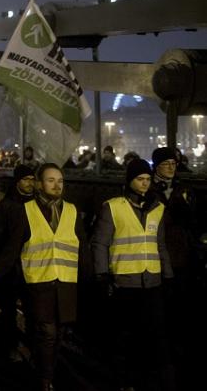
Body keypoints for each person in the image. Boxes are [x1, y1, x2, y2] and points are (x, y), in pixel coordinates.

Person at [0, 164, 84, 390]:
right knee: (47, 332)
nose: (57, 185)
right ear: (39, 184)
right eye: (51, 180)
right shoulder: (25, 211)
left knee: (59, 333)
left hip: (65, 283)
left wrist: (93, 278)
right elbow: (12, 248)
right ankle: (45, 380)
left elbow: (83, 247)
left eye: (60, 181)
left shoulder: (72, 211)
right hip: (38, 283)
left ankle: (45, 368)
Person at [92, 158, 175, 391]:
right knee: (124, 336)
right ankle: (124, 380)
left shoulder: (157, 209)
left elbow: (160, 245)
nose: (145, 184)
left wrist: (168, 276)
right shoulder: (113, 207)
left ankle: (147, 378)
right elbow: (100, 243)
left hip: (152, 282)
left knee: (153, 335)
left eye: (148, 179)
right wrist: (101, 275)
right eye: (140, 179)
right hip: (124, 282)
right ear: (130, 181)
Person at [151, 147, 199, 387]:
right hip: (156, 258)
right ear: (157, 166)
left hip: (181, 257)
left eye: (174, 163)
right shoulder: (148, 190)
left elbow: (194, 222)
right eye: (166, 163)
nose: (171, 167)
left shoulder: (184, 190)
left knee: (181, 308)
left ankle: (179, 354)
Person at [0, 164, 35, 362]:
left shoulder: (37, 206)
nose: (30, 184)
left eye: (33, 180)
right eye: (26, 180)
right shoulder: (6, 207)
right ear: (17, 182)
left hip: (33, 266)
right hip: (11, 269)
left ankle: (27, 346)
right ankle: (10, 347)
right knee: (8, 311)